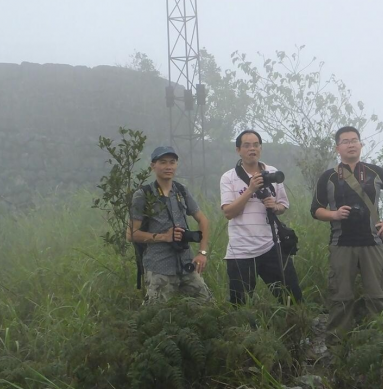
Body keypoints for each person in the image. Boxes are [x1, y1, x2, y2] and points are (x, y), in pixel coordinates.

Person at [311, 126, 383, 335]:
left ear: (361, 144)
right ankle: (337, 348)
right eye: (345, 141)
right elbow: (315, 210)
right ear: (338, 147)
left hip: (373, 242)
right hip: (341, 244)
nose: (351, 144)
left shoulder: (375, 172)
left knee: (378, 297)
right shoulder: (328, 177)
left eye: (354, 140)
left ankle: (381, 345)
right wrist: (334, 214)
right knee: (341, 299)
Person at [220, 130, 303, 305]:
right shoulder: (229, 177)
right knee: (240, 305)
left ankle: (298, 329)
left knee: (292, 299)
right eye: (247, 145)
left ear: (261, 148)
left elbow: (283, 206)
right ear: (238, 150)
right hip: (240, 251)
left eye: (256, 145)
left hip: (271, 246)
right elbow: (228, 212)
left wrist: (275, 206)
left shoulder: (272, 172)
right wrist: (250, 190)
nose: (252, 149)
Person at [128, 146, 211, 302]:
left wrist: (202, 253)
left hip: (186, 263)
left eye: (172, 162)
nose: (168, 167)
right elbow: (131, 234)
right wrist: (164, 237)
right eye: (163, 162)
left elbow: (203, 220)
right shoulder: (143, 195)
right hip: (159, 266)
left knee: (205, 306)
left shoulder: (181, 191)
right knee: (157, 316)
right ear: (153, 165)